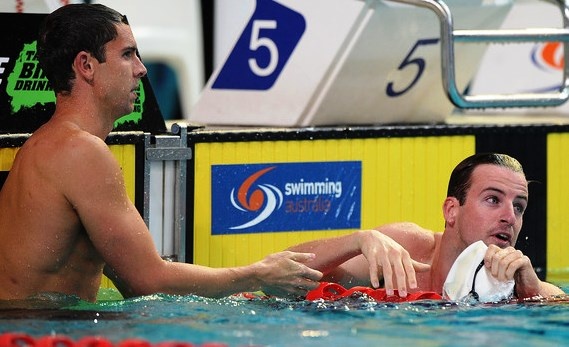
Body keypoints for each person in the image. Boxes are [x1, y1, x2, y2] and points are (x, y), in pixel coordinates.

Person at [0, 4, 322, 302]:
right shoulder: (81, 152)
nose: (141, 69)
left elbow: (133, 279)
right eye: (127, 55)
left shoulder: (47, 147)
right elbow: (149, 280)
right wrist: (257, 275)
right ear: (86, 65)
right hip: (41, 331)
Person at [288, 153, 564, 300]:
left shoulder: (517, 279)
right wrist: (356, 241)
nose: (510, 217)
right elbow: (283, 274)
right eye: (493, 199)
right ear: (452, 210)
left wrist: (534, 291)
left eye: (519, 206)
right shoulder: (406, 248)